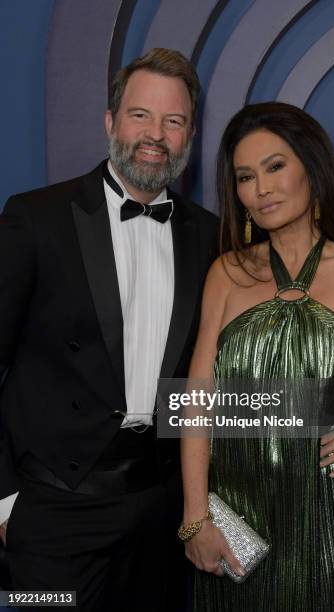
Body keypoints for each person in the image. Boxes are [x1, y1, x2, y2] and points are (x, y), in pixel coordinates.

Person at [0, 48, 218, 611]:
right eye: (140, 115)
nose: (156, 134)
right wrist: (4, 501)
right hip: (51, 512)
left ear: (190, 134)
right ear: (110, 121)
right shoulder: (36, 217)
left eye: (174, 121)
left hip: (159, 512)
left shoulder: (210, 237)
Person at [180, 102, 334, 611]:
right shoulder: (226, 273)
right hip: (233, 526)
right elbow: (197, 401)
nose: (260, 189)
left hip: (326, 521)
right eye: (245, 176)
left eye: (275, 166)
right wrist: (196, 518)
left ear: (312, 167)